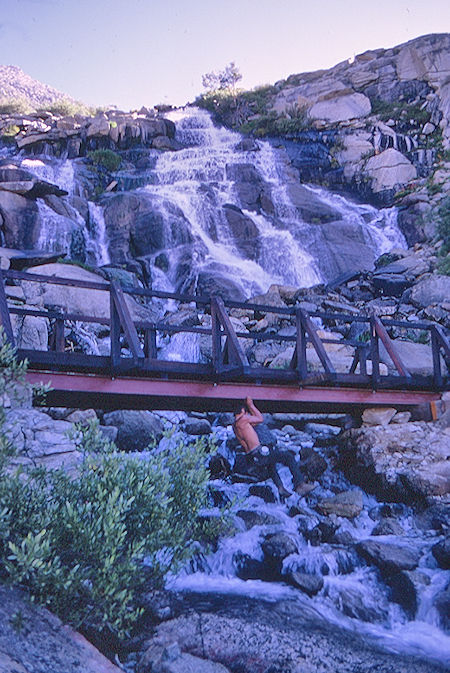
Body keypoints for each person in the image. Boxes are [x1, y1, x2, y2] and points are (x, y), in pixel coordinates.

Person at [233, 396, 316, 498]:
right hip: (259, 453)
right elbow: (260, 418)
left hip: (251, 457)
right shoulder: (244, 419)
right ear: (243, 411)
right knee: (288, 456)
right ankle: (300, 485)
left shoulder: (235, 426)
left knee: (271, 464)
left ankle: (280, 488)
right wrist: (251, 405)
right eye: (247, 413)